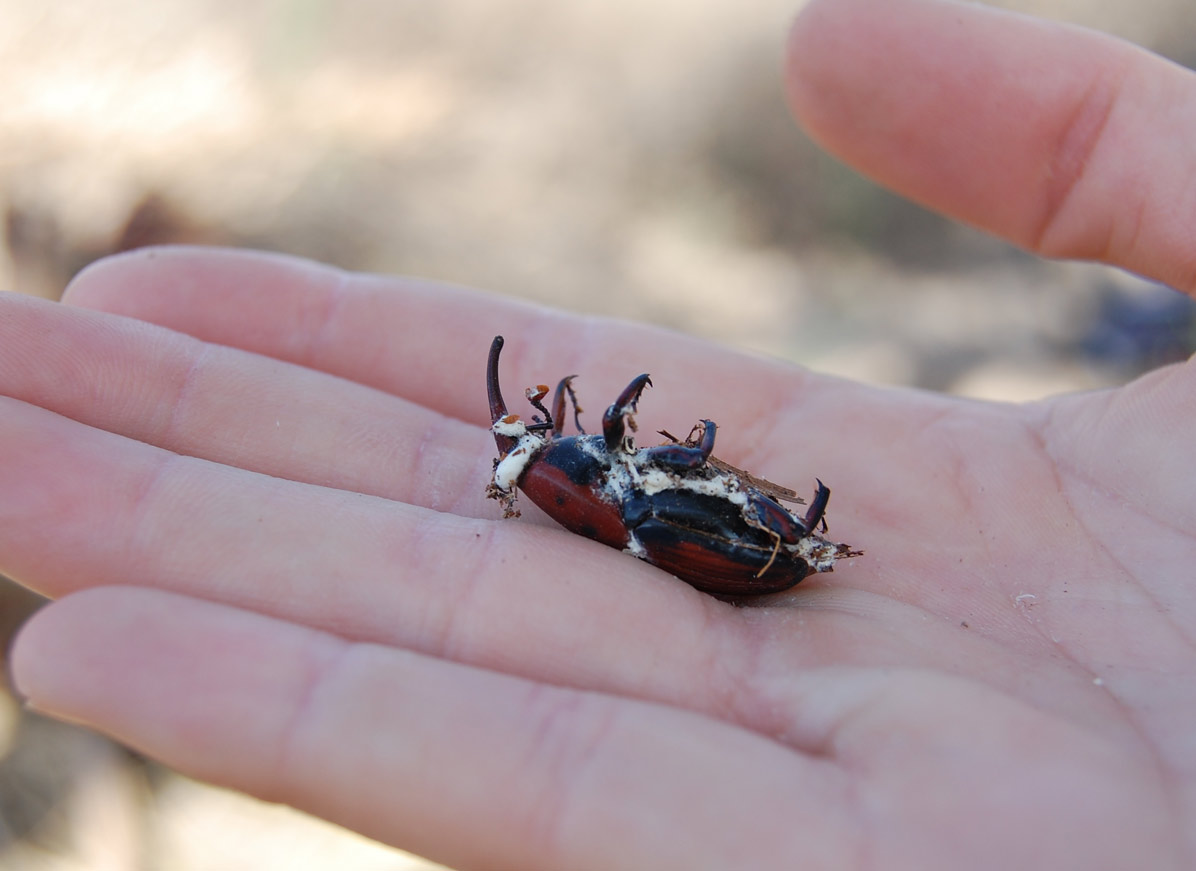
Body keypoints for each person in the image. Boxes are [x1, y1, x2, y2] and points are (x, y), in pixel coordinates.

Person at [2, 0, 1192, 867]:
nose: (540, 421)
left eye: (536, 422)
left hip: (675, 525)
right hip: (671, 525)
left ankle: (784, 536)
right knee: (682, 488)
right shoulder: (602, 479)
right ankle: (783, 535)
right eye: (537, 425)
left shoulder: (595, 475)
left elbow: (610, 450)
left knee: (684, 485)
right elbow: (612, 453)